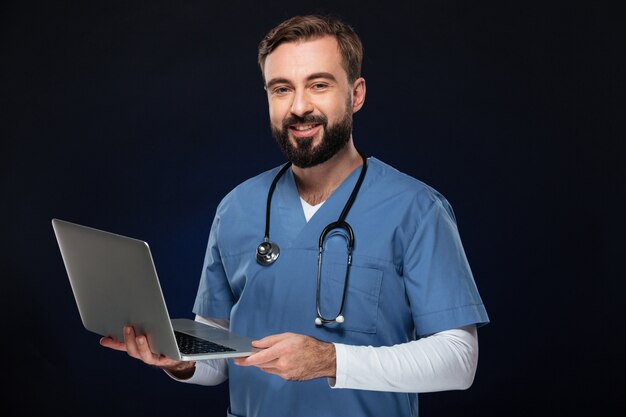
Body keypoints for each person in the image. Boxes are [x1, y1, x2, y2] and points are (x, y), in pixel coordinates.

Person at [101, 14, 489, 417]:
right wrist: (180, 361)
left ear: (356, 94)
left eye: (319, 85)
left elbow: (459, 360)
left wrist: (330, 360)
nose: (299, 106)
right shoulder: (237, 208)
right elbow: (217, 360)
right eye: (282, 89)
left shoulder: (417, 209)